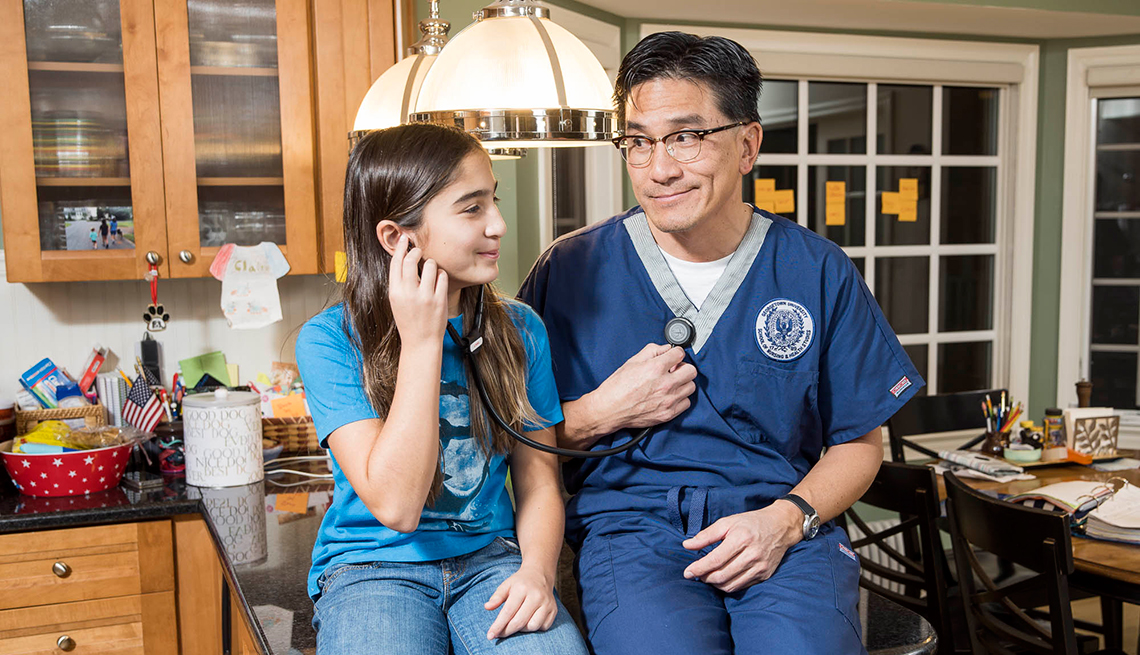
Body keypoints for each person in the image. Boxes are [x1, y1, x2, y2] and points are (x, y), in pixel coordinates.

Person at [518, 32, 923, 655]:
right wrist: (603, 411)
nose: (659, 169)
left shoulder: (816, 271)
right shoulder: (568, 271)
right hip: (633, 532)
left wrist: (786, 520)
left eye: (686, 136)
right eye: (638, 141)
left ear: (747, 144)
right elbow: (515, 440)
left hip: (782, 523)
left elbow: (860, 443)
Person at [296, 124, 588, 655]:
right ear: (396, 238)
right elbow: (398, 507)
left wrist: (538, 573)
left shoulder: (522, 330)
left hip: (491, 559)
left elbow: (539, 478)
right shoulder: (330, 340)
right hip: (371, 567)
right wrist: (423, 341)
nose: (499, 224)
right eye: (471, 208)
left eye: (492, 201)